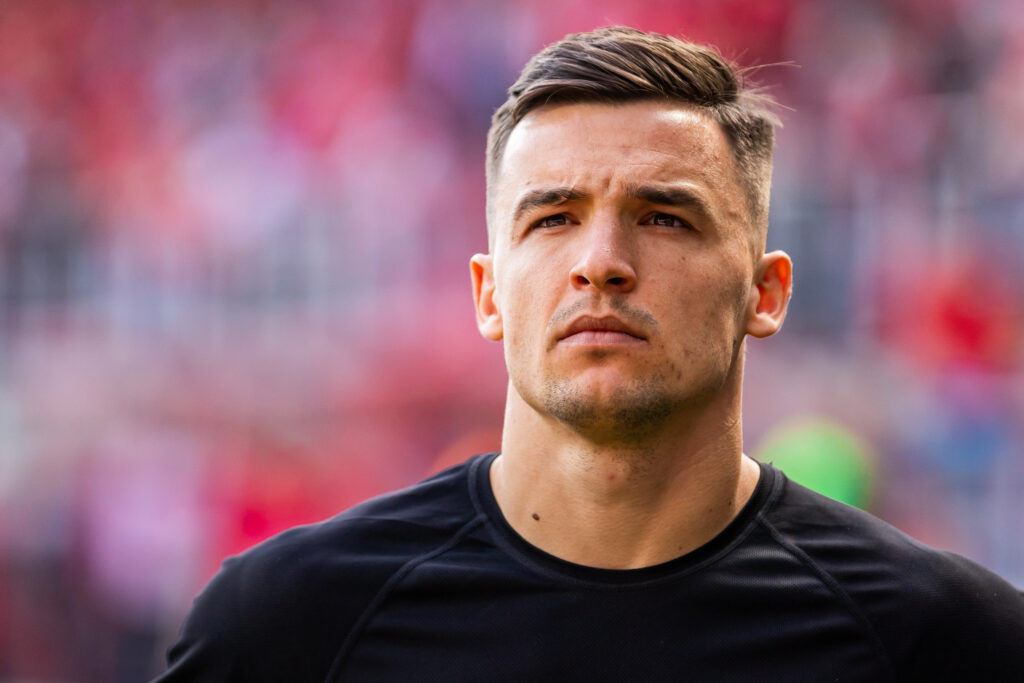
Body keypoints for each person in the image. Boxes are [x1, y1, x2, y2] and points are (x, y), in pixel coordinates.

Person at [155, 27, 1024, 682]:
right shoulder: (286, 629)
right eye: (553, 217)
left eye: (664, 216)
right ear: (490, 293)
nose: (600, 260)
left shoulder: (950, 642)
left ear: (766, 293)